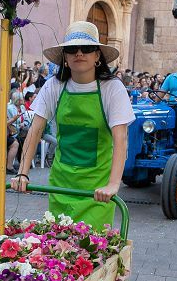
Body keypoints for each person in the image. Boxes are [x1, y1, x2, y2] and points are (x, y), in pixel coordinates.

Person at [12, 21, 133, 230]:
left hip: (97, 191)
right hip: (61, 185)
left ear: (97, 56)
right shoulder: (54, 85)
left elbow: (120, 138)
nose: (79, 54)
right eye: (72, 50)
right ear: (65, 58)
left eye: (86, 49)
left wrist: (113, 184)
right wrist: (23, 172)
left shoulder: (112, 88)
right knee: (58, 252)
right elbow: (35, 130)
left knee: (92, 254)